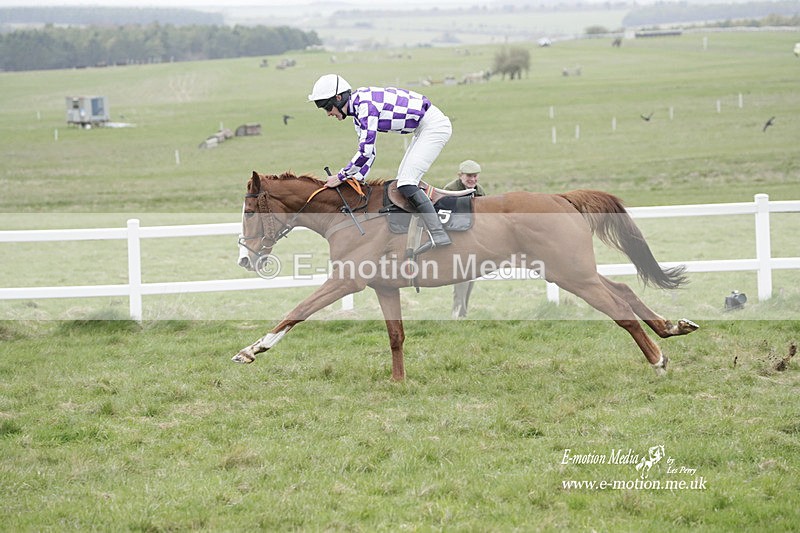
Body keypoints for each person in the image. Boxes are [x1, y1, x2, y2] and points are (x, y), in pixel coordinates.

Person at [308, 74, 452, 248]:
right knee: (402, 183)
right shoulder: (358, 112)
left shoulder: (365, 106)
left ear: (339, 98)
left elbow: (365, 152)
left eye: (327, 107)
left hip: (433, 127)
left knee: (407, 182)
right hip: (422, 128)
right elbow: (370, 154)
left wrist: (340, 177)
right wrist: (355, 182)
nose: (328, 113)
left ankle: (439, 234)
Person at [444, 160, 485, 318]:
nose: (472, 180)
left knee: (470, 277)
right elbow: (446, 217)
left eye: (475, 176)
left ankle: (462, 313)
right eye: (469, 176)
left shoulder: (479, 191)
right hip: (455, 238)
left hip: (473, 239)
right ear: (460, 176)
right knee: (461, 276)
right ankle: (458, 313)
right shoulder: (450, 190)